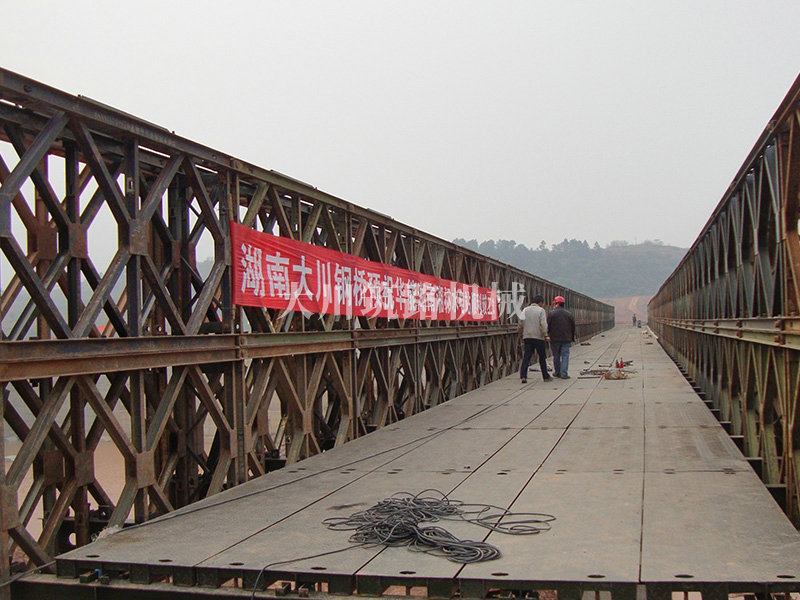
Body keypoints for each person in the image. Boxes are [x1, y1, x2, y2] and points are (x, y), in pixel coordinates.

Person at [518, 294, 551, 384]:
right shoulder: (541, 310)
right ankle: (545, 376)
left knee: (526, 357)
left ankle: (523, 375)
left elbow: (520, 323)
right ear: (540, 302)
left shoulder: (525, 310)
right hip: (538, 337)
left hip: (527, 336)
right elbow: (543, 324)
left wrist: (521, 333)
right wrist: (546, 335)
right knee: (542, 357)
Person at [547, 295, 576, 379]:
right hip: (566, 338)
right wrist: (572, 337)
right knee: (565, 356)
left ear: (557, 304)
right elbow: (573, 327)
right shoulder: (569, 314)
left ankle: (557, 372)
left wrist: (547, 335)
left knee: (556, 356)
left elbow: (548, 326)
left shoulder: (551, 314)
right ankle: (564, 373)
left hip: (554, 339)